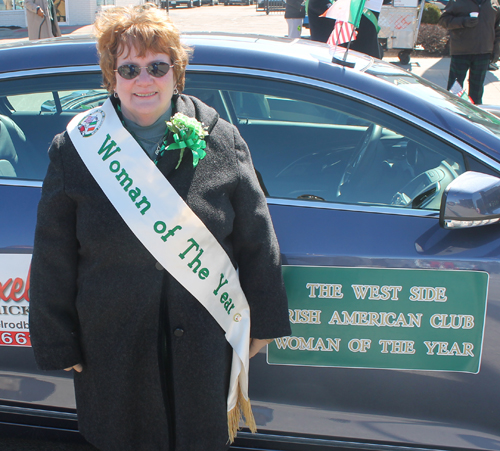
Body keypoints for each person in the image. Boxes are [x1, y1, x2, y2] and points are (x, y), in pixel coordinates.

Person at [28, 4, 291, 451]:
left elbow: (255, 236)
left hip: (205, 340)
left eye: (156, 66)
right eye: (128, 68)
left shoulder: (220, 139)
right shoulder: (75, 148)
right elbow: (54, 252)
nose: (143, 80)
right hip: (111, 342)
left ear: (177, 72)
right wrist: (59, 340)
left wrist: (264, 323)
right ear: (112, 76)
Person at [439, 0, 500, 104]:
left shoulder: (493, 2)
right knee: (454, 88)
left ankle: (474, 115)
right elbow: (443, 20)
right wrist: (463, 22)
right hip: (461, 51)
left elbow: (497, 28)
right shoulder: (457, 1)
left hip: (483, 52)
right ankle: (452, 113)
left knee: (477, 90)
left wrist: (496, 50)